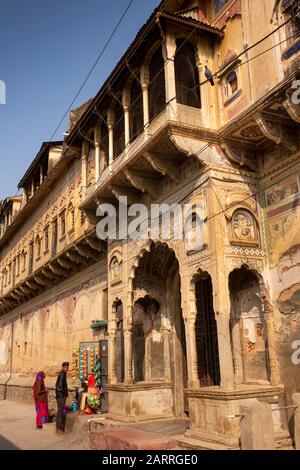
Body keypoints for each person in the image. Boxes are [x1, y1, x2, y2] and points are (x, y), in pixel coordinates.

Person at [55, 362, 69, 435]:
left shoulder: (63, 374)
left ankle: (59, 429)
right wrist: (64, 394)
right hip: (60, 396)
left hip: (60, 396)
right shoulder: (62, 374)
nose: (67, 369)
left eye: (67, 367)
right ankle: (59, 429)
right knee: (60, 412)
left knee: (60, 412)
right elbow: (59, 387)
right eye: (66, 367)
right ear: (63, 367)